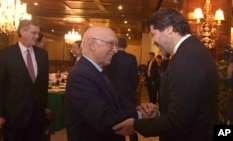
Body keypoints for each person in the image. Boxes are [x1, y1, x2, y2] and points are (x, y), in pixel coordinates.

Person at [113, 8, 220, 141]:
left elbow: (178, 122)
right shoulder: (192, 50)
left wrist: (136, 125)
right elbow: (187, 108)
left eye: (153, 34)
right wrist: (159, 113)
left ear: (169, 29)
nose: (153, 41)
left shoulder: (185, 58)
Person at [64, 26, 150, 141]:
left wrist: (138, 109)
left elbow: (117, 101)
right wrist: (140, 115)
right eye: (111, 44)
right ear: (93, 44)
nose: (115, 50)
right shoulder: (81, 75)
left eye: (116, 45)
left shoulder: (96, 70)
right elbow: (103, 119)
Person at [0, 19, 49, 141]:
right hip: (13, 115)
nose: (37, 36)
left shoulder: (42, 55)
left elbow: (43, 85)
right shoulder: (5, 55)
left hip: (36, 115)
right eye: (34, 33)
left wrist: (42, 108)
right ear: (22, 31)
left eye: (38, 33)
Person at [104, 37, 139, 141]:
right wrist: (131, 90)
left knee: (115, 122)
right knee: (132, 121)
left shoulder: (110, 57)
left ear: (116, 45)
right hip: (128, 94)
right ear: (126, 45)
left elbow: (106, 76)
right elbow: (134, 78)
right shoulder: (131, 58)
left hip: (112, 94)